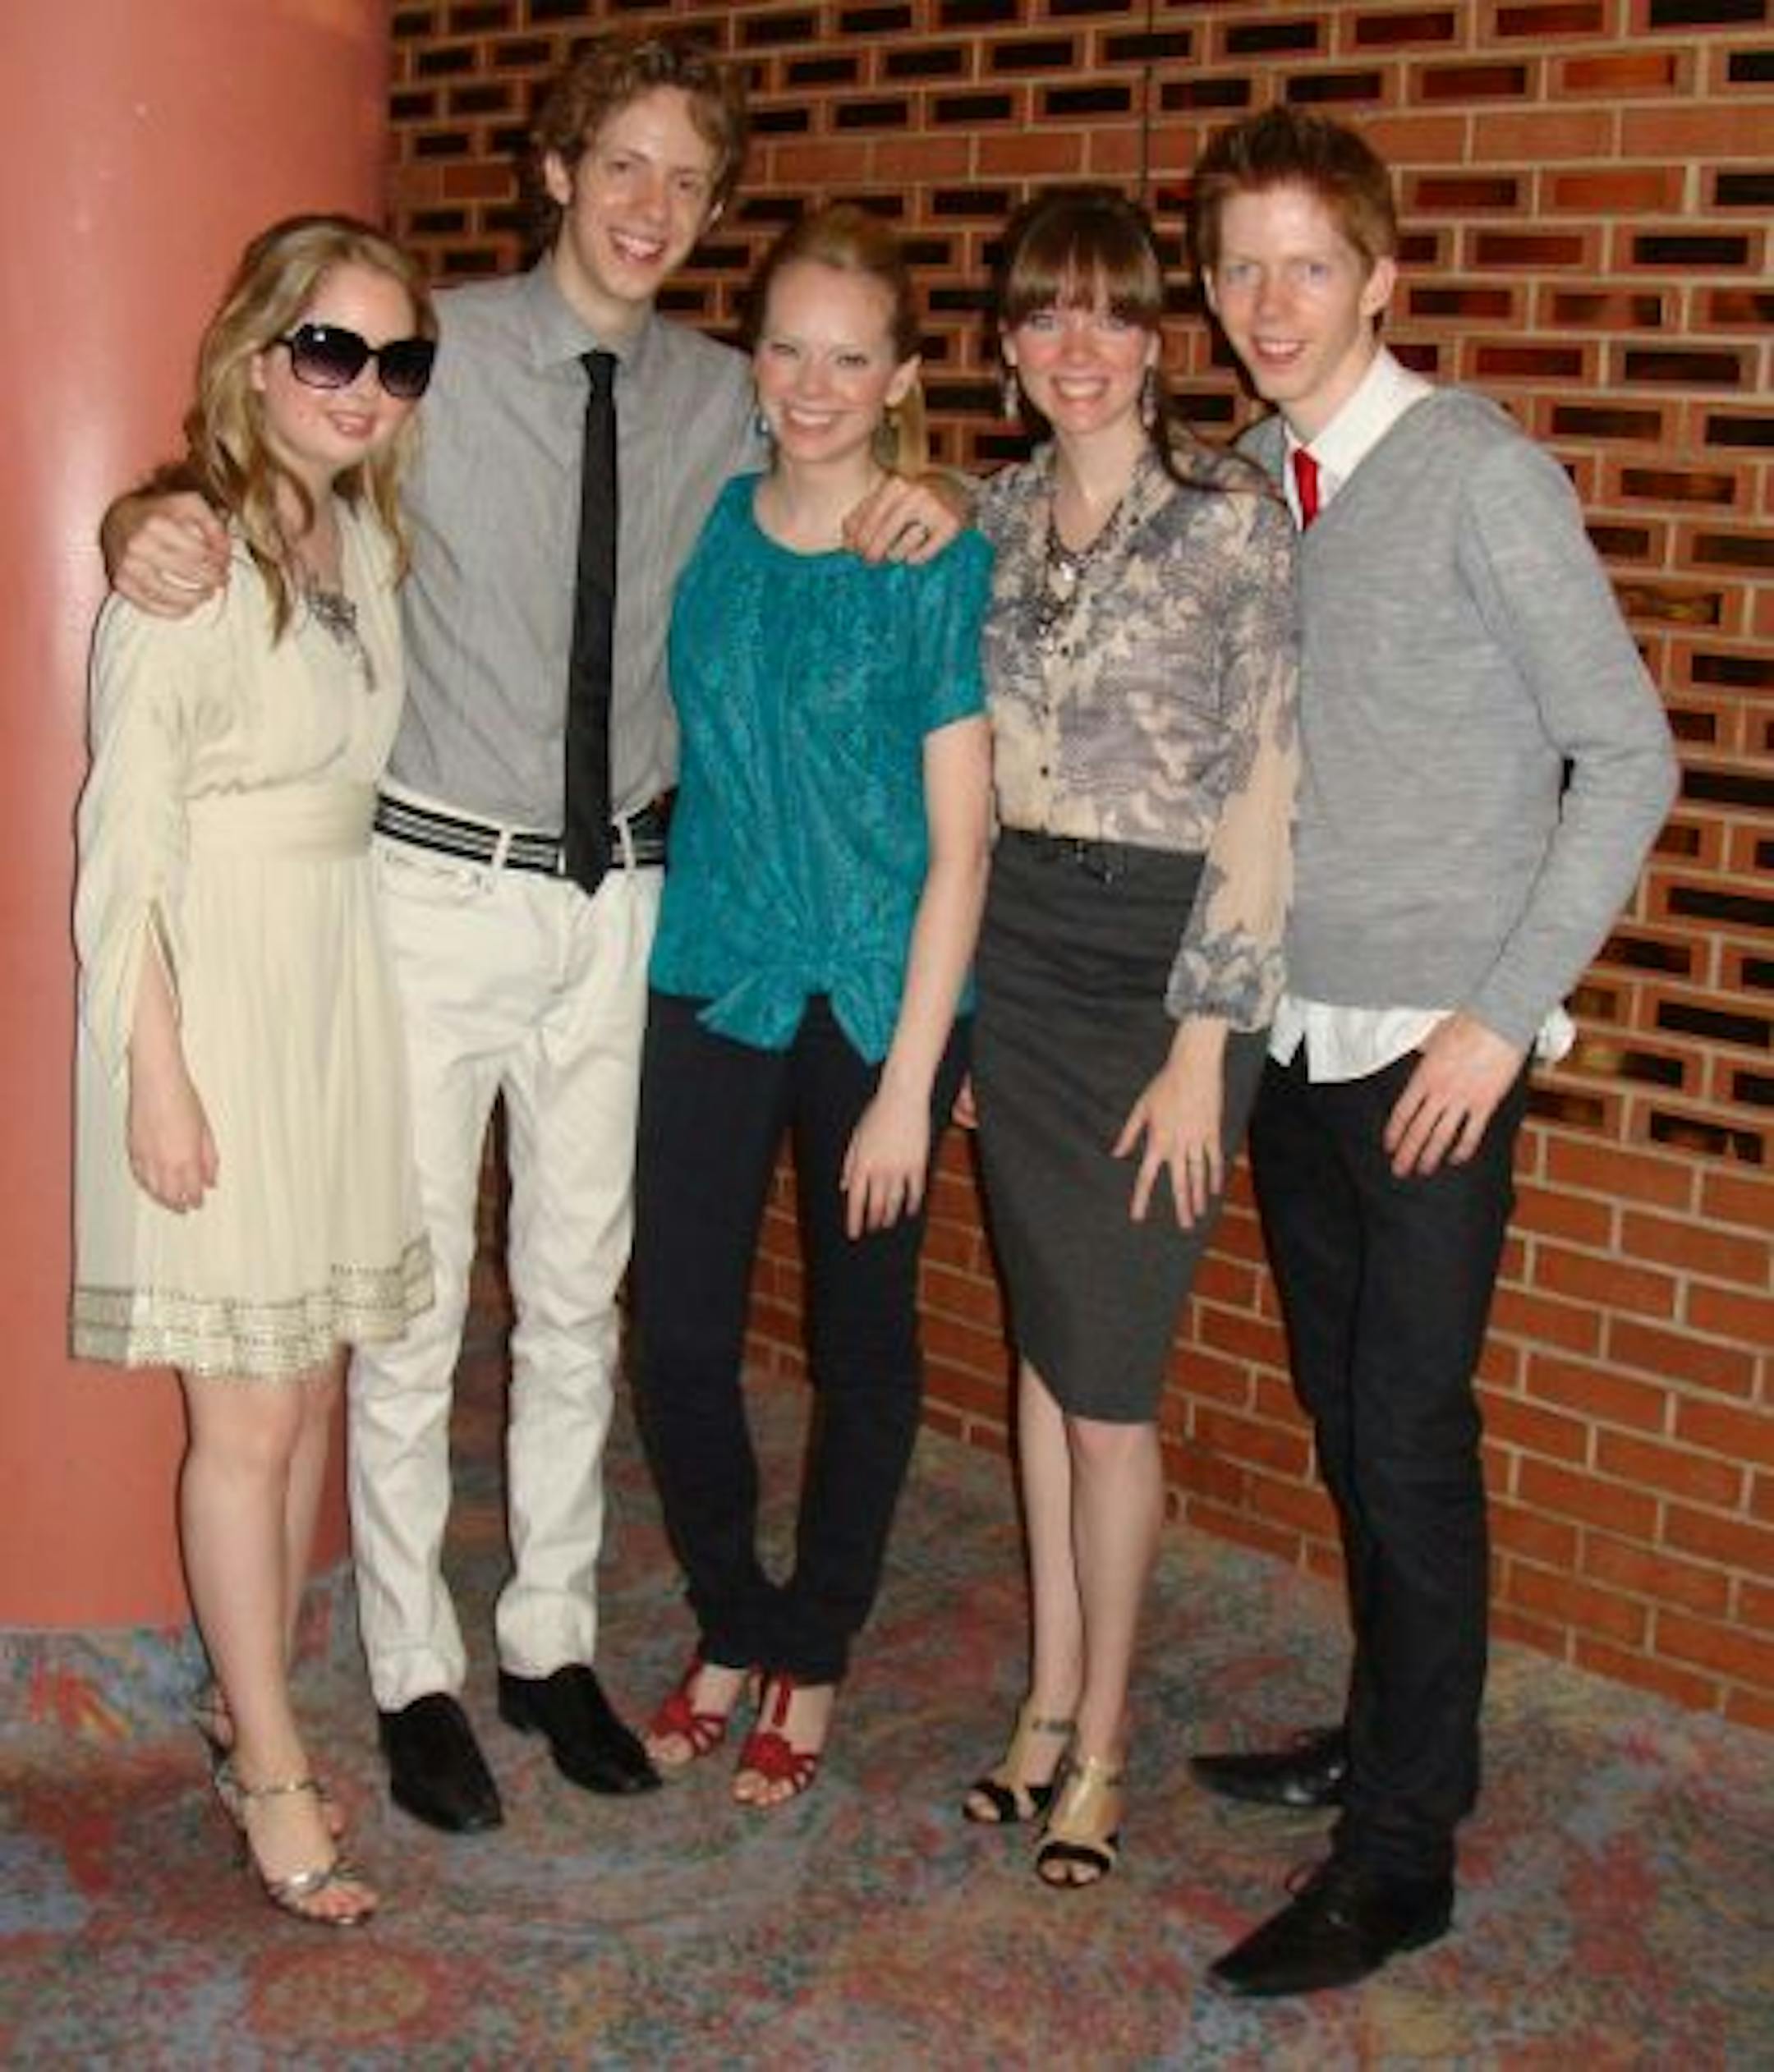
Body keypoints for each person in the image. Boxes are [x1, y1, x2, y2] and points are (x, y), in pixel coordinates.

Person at [103, 34, 958, 1838]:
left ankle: (547, 1637)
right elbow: (275, 451)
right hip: (430, 888)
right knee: (414, 1307)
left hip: (630, 897)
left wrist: (942, 494)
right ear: (556, 167)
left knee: (579, 1291)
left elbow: (867, 455)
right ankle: (411, 1666)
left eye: (688, 181)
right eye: (622, 164)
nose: (652, 206)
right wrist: (149, 514)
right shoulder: (437, 350)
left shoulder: (736, 394)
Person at [1185, 107, 1680, 1997]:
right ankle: (1399, 1732)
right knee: (1349, 1415)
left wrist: (1502, 1015)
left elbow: (1629, 755)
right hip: (1297, 1037)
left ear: (1383, 279)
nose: (1269, 300)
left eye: (1309, 263)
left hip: (1440, 1050)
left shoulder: (1476, 475)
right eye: (1239, 265)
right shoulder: (1246, 476)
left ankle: (1402, 1854)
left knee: (1404, 1432)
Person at [73, 216, 439, 1924]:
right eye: (329, 352)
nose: (362, 388)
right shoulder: (192, 554)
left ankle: (250, 1698)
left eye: (394, 359)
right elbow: (122, 847)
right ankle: (276, 1767)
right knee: (246, 1410)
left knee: (305, 1388)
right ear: (258, 351)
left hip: (329, 982)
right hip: (214, 994)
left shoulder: (363, 535)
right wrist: (154, 1070)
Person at [631, 205, 992, 1808]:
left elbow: (965, 839)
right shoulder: (713, 521)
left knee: (865, 1340)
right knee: (683, 1328)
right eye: (789, 346)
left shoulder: (933, 553)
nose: (816, 382)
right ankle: (731, 1616)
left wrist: (915, 1081)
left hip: (875, 991)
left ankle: (818, 1641)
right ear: (752, 356)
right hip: (712, 964)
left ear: (902, 373)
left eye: (854, 355)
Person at [958, 191, 1298, 1887]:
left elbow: (1267, 788)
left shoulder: (1235, 521)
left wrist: (1198, 1042)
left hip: (1170, 972)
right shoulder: (986, 517)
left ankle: (1100, 1740)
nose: (1074, 349)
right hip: (1018, 953)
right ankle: (1039, 1695)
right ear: (1007, 344)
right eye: (1042, 315)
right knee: (1042, 1347)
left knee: (1107, 1386)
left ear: (1156, 335)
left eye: (1106, 314)